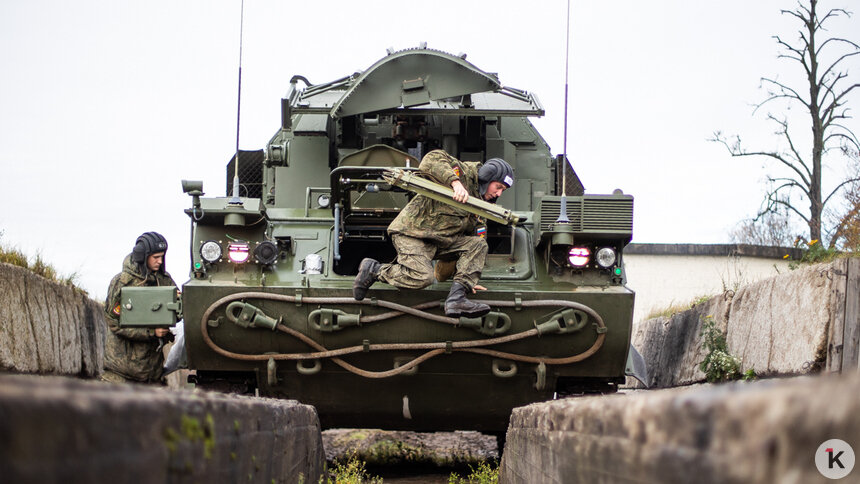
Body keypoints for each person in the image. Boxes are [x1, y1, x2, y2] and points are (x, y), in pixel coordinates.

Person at [353, 149, 514, 317]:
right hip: (413, 233)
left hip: (440, 243)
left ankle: (457, 299)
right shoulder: (462, 173)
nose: (499, 193)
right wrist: (455, 183)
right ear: (487, 178)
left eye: (503, 190)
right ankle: (374, 269)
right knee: (422, 277)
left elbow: (477, 236)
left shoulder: (481, 204)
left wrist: (468, 280)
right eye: (499, 187)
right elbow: (431, 159)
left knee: (478, 244)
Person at [102, 231, 177, 384]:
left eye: (162, 256)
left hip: (151, 372)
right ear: (143, 256)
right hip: (121, 372)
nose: (160, 261)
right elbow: (114, 323)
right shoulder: (122, 282)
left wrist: (178, 302)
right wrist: (151, 332)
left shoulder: (164, 281)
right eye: (156, 257)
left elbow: (176, 314)